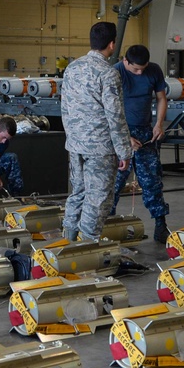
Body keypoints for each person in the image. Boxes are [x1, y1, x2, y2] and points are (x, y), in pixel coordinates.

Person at [61, 22, 132, 241]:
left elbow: (65, 106)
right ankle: (88, 246)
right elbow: (115, 116)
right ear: (112, 44)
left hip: (75, 145)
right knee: (98, 198)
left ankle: (68, 240)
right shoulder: (108, 74)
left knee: (78, 193)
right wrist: (124, 151)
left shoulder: (71, 68)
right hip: (100, 148)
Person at [111, 45, 170, 242]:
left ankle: (161, 226)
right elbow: (109, 108)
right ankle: (108, 224)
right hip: (120, 133)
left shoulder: (153, 70)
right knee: (114, 182)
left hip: (145, 134)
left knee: (152, 181)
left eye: (143, 68)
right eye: (136, 69)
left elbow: (161, 98)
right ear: (125, 61)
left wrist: (159, 124)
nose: (140, 72)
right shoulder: (116, 72)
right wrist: (125, 137)